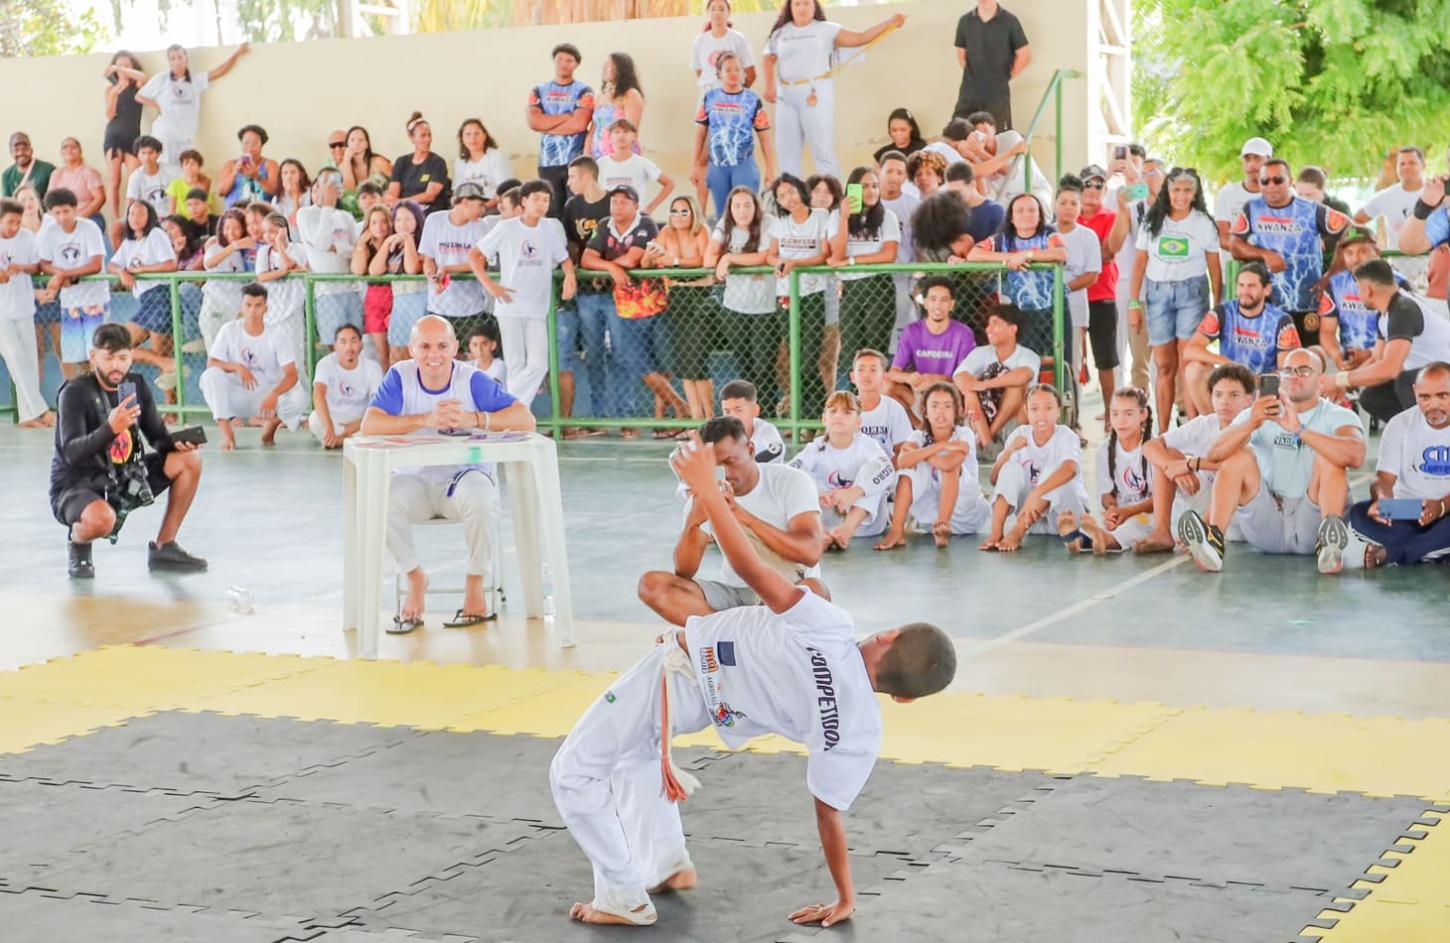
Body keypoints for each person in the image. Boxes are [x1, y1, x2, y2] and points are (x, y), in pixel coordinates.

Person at [559, 424, 955, 931]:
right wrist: (844, 896)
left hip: (683, 673)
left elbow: (748, 567)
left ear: (887, 635)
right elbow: (829, 815)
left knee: (573, 773)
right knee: (635, 751)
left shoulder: (832, 629)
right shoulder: (859, 730)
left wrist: (708, 494)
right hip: (716, 704)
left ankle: (622, 896)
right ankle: (663, 863)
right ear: (904, 699)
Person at [362, 315, 535, 631]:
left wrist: (475, 419)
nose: (434, 355)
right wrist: (423, 419)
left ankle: (475, 583)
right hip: (415, 483)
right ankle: (415, 577)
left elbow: (526, 419)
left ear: (455, 348)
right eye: (425, 346)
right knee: (380, 498)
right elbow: (370, 425)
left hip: (461, 481)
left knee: (483, 496)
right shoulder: (400, 376)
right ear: (412, 349)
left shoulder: (471, 379)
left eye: (442, 345)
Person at [1179, 348, 1364, 575]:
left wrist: (1300, 430)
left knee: (1330, 455)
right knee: (1239, 455)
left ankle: (1330, 545)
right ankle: (1213, 543)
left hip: (1312, 519)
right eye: (1288, 370)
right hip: (1268, 519)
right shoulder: (1260, 412)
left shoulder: (1338, 415)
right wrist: (1252, 423)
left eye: (1304, 370)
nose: (1295, 376)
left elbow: (1355, 455)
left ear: (1321, 380)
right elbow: (1215, 454)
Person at [51, 322, 205, 579]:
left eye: (123, 358)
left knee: (189, 459)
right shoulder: (75, 392)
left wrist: (178, 442)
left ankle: (164, 547)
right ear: (93, 357)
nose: (116, 365)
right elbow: (72, 453)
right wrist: (110, 428)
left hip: (126, 475)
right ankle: (78, 544)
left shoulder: (134, 385)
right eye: (108, 357)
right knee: (102, 520)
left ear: (131, 357)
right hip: (78, 484)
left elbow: (156, 437)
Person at [640, 414, 823, 622]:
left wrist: (739, 514)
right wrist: (693, 522)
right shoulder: (707, 491)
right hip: (736, 593)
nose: (724, 473)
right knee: (653, 585)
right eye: (715, 467)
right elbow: (684, 571)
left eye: (729, 462)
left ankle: (731, 638)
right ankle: (730, 636)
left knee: (814, 590)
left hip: (788, 587)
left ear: (751, 450)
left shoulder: (791, 481)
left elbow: (810, 552)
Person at [762, 0, 908, 180]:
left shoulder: (827, 29)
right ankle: (789, 201)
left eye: (806, 3)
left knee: (822, 150)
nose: (802, 8)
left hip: (815, 93)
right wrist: (769, 85)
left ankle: (836, 199)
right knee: (786, 153)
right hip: (785, 96)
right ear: (790, 7)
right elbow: (768, 58)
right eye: (797, 4)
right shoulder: (780, 33)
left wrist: (889, 23)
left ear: (814, 6)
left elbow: (859, 38)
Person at [580, 185, 685, 431]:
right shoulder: (605, 224)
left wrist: (605, 267)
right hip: (624, 305)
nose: (617, 206)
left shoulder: (645, 223)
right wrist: (612, 269)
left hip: (651, 305)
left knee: (651, 362)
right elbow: (586, 259)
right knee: (632, 359)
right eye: (614, 201)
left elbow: (633, 258)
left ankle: (658, 418)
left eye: (624, 202)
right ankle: (681, 408)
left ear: (636, 206)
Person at [1129, 166, 1223, 431]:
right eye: (1176, 190)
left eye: (1187, 190)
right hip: (1157, 295)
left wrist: (1217, 308)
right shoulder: (1152, 221)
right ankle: (1162, 430)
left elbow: (1214, 268)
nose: (1181, 196)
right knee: (1163, 364)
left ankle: (1194, 426)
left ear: (1195, 194)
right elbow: (1139, 264)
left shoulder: (1204, 223)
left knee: (1189, 361)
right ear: (1167, 191)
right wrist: (1133, 304)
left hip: (1192, 294)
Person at [473, 179, 577, 405]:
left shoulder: (549, 229)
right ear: (524, 201)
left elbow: (565, 259)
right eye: (536, 199)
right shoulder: (506, 227)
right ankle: (515, 418)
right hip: (509, 305)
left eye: (546, 200)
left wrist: (570, 275)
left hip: (537, 307)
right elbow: (475, 255)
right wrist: (490, 285)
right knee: (515, 365)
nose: (541, 204)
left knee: (539, 364)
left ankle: (506, 406)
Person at [1137, 363, 1255, 554]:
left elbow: (1233, 467)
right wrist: (1171, 467)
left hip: (1237, 514)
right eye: (1218, 395)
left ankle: (1209, 533)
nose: (1224, 401)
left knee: (1226, 467)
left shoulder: (1255, 426)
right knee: (1168, 454)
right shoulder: (1205, 424)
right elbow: (1149, 446)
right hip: (1205, 501)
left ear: (1249, 400)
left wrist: (1189, 464)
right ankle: (1162, 532)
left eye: (1233, 395)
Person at [1341, 362, 1450, 568]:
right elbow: (1383, 479)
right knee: (1358, 514)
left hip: (1447, 510)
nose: (1433, 405)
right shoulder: (1400, 424)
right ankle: (1432, 551)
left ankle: (1395, 553)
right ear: (1415, 393)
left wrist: (1441, 506)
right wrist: (1383, 502)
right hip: (1409, 509)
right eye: (1425, 397)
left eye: (1442, 396)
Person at [1230, 157, 1349, 343]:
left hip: (1306, 303)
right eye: (1265, 181)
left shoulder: (1311, 209)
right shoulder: (1252, 208)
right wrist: (1265, 254)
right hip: (1267, 305)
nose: (1271, 185)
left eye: (1278, 180)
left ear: (1290, 181)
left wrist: (1332, 274)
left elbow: (1351, 229)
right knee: (1270, 364)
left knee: (1308, 361)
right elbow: (1235, 246)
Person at [1325, 259, 1450, 424]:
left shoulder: (1403, 310)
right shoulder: (1385, 314)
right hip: (1434, 374)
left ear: (1367, 289)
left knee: (1405, 381)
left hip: (1442, 376)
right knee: (1372, 397)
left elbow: (1390, 368)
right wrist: (1345, 385)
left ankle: (1433, 435)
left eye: (1358, 289)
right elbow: (1377, 359)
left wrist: (1338, 379)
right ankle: (1412, 432)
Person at [875, 383, 991, 549]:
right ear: (925, 411)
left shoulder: (963, 434)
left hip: (967, 514)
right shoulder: (918, 436)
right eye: (934, 406)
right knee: (909, 468)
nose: (941, 411)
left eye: (947, 406)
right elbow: (902, 462)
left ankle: (943, 525)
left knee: (945, 464)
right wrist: (939, 447)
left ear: (957, 411)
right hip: (929, 518)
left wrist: (920, 453)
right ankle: (897, 531)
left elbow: (948, 463)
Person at [979, 383, 1090, 552]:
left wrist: (1037, 492)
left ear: (1058, 410)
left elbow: (1070, 469)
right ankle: (996, 534)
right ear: (1026, 411)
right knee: (1009, 468)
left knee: (1052, 471)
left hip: (1064, 516)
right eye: (1034, 409)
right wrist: (1009, 451)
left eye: (1048, 408)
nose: (1041, 415)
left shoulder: (1066, 436)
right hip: (1033, 521)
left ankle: (1016, 533)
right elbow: (994, 479)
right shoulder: (1019, 435)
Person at [1181, 262, 1299, 417]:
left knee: (1284, 381)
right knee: (1193, 370)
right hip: (1229, 381)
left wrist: (1254, 380)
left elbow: (1286, 370)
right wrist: (1225, 361)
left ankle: (1266, 429)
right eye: (1241, 285)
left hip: (1262, 383)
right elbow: (1189, 350)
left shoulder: (1281, 320)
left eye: (1251, 286)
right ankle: (1214, 427)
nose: (1244, 291)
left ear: (1266, 289)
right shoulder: (1223, 311)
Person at [200, 282, 306, 450]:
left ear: (266, 308)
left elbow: (292, 374)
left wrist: (274, 394)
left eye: (258, 306)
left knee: (300, 396)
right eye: (248, 305)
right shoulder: (229, 330)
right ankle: (228, 434)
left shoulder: (277, 335)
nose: (252, 311)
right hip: (237, 395)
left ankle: (270, 428)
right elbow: (211, 363)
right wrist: (238, 367)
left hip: (265, 397)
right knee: (210, 376)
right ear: (242, 307)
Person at [765, 173, 837, 417]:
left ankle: (815, 414)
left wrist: (795, 263)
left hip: (812, 294)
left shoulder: (820, 216)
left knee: (808, 360)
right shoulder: (779, 223)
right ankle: (812, 415)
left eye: (791, 191)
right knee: (795, 358)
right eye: (782, 196)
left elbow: (825, 254)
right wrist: (778, 262)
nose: (788, 198)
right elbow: (771, 255)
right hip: (785, 297)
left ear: (801, 190)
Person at [789, 391, 897, 550]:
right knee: (801, 475)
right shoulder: (816, 447)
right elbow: (789, 472)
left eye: (847, 412)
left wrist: (856, 491)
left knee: (873, 469)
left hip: (865, 525)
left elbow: (888, 469)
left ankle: (847, 530)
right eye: (833, 411)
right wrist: (818, 493)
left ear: (858, 422)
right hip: (827, 517)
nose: (839, 416)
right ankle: (821, 533)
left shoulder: (867, 445)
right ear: (824, 419)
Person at [967, 193, 1068, 358]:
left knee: (1060, 358)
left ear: (1040, 216)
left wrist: (1027, 255)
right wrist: (1009, 259)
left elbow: (1062, 254)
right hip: (1019, 310)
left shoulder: (1049, 235)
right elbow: (973, 254)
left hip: (1053, 307)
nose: (1026, 214)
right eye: (1020, 210)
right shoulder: (1002, 239)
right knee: (1025, 359)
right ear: (1012, 218)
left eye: (1031, 210)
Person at [644, 194, 715, 420]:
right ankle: (695, 419)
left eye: (684, 211)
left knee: (697, 362)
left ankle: (710, 418)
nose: (679, 216)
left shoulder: (702, 230)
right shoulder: (665, 232)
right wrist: (650, 256)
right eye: (675, 211)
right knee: (684, 365)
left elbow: (703, 261)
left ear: (693, 212)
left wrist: (672, 260)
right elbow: (649, 262)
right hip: (677, 296)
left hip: (700, 295)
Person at [706, 187, 777, 405]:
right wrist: (722, 258)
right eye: (736, 206)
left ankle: (767, 411)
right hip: (734, 308)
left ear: (755, 206)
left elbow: (764, 256)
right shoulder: (724, 224)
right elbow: (709, 259)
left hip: (765, 309)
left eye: (747, 205)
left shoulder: (768, 222)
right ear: (730, 208)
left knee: (763, 365)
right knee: (744, 365)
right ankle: (749, 412)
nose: (742, 210)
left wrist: (729, 258)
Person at [559, 156, 613, 427]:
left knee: (624, 352)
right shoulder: (572, 206)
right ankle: (600, 416)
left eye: (572, 177)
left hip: (614, 290)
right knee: (593, 353)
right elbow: (570, 245)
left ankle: (626, 416)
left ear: (587, 177)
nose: (569, 183)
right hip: (586, 292)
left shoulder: (611, 202)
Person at [136, 43, 247, 169]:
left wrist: (237, 54)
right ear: (169, 61)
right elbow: (139, 96)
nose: (177, 61)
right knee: (164, 169)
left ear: (186, 58)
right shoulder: (161, 79)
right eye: (173, 58)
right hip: (165, 134)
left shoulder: (195, 80)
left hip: (185, 136)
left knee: (185, 170)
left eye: (180, 57)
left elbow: (218, 72)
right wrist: (158, 106)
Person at [693, 52, 775, 221]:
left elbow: (765, 137)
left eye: (738, 69)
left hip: (743, 163)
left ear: (743, 73)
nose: (733, 73)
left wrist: (770, 168)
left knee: (746, 214)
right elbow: (700, 134)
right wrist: (695, 165)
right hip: (717, 165)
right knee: (723, 216)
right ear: (719, 73)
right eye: (728, 69)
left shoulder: (752, 99)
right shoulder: (710, 97)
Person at [828, 166, 900, 362]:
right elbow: (838, 252)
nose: (871, 191)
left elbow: (889, 255)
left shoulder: (887, 216)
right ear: (852, 189)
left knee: (876, 347)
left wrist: (852, 261)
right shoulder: (836, 216)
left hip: (878, 285)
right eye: (865, 186)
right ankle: (855, 392)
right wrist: (844, 217)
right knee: (851, 348)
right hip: (850, 287)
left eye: (875, 186)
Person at [37, 188, 108, 379]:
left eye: (66, 211)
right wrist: (60, 274)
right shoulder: (50, 232)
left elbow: (95, 264)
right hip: (70, 301)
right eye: (57, 212)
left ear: (75, 209)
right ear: (50, 213)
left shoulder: (89, 228)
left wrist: (63, 275)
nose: (62, 217)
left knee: (98, 353)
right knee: (79, 357)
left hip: (95, 300)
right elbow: (43, 263)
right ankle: (89, 398)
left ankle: (104, 399)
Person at [1073, 387, 1155, 554]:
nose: (1121, 421)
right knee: (1105, 524)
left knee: (1131, 527)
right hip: (1122, 514)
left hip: (1149, 516)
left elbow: (1160, 499)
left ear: (1143, 415)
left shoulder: (1155, 448)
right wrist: (1111, 508)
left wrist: (1129, 511)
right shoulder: (1104, 450)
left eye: (1128, 414)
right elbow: (1106, 494)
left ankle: (1101, 539)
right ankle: (1083, 539)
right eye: (1115, 413)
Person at [887, 275, 976, 415]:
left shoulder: (963, 333)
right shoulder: (912, 331)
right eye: (933, 299)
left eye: (944, 300)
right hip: (920, 394)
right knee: (886, 386)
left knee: (970, 392)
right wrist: (909, 378)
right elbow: (893, 373)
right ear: (925, 302)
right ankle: (916, 426)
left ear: (952, 304)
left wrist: (938, 380)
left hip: (951, 395)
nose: (938, 305)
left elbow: (968, 377)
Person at [1074, 165, 1125, 407]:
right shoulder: (1069, 216)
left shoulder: (1111, 217)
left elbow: (1108, 252)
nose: (1093, 190)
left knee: (1106, 360)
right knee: (1073, 358)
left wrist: (1079, 258)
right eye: (1088, 184)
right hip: (1073, 295)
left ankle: (1109, 414)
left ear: (1105, 190)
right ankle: (1073, 416)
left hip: (1102, 295)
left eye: (1099, 185)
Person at [1315, 232, 1404, 371]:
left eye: (1362, 251)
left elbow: (1404, 337)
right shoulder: (1334, 284)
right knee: (1314, 355)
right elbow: (1327, 331)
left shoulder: (1398, 283)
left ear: (1377, 252)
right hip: (1349, 359)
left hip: (1389, 360)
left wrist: (1370, 354)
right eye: (1349, 253)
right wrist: (1337, 355)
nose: (1355, 259)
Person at [108, 200, 179, 375]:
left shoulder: (155, 234)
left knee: (160, 355)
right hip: (146, 301)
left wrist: (142, 269)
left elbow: (170, 264)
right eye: (131, 214)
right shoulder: (129, 242)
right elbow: (111, 265)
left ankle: (172, 398)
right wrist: (122, 272)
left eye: (140, 213)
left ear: (150, 216)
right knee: (117, 348)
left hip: (160, 297)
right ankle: (165, 362)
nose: (135, 218)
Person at [953, 303, 1039, 448]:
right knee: (969, 391)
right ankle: (987, 443)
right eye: (988, 324)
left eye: (995, 324)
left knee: (1017, 388)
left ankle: (987, 443)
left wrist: (983, 385)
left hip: (1012, 423)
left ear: (1013, 329)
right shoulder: (981, 353)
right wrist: (969, 393)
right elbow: (959, 377)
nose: (988, 329)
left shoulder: (1028, 356)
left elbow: (1023, 376)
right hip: (981, 422)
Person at [0, 199, 52, 426]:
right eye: (10, 222)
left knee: (28, 361)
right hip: (2, 312)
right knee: (14, 356)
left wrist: (22, 267)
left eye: (18, 222)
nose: (14, 226)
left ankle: (26, 415)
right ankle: (41, 410)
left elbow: (37, 265)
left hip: (23, 307)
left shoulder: (26, 237)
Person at [529, 44, 595, 217]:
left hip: (575, 161)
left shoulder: (584, 91)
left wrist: (548, 125)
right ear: (554, 61)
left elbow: (579, 125)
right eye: (560, 59)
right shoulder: (539, 90)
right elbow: (534, 122)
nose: (564, 64)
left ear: (576, 64)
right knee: (551, 210)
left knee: (577, 208)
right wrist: (566, 116)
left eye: (569, 60)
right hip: (547, 162)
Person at [297, 170, 361, 346]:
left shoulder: (345, 216)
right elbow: (320, 243)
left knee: (356, 343)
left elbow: (356, 250)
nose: (327, 187)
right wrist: (326, 206)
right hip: (326, 292)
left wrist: (337, 248)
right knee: (334, 344)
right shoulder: (305, 214)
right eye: (322, 183)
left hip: (352, 289)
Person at [420, 182, 490, 342]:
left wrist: (447, 269)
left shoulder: (481, 227)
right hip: (438, 305)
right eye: (479, 205)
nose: (482, 210)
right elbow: (428, 259)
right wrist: (432, 276)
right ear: (464, 201)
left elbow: (481, 263)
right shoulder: (435, 220)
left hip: (472, 306)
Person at [1052, 177, 1103, 383]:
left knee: (1072, 361)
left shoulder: (1087, 236)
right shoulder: (1046, 233)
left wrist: (1061, 288)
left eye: (1074, 203)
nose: (1068, 208)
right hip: (1045, 308)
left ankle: (1072, 411)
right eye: (1063, 202)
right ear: (1054, 204)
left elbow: (1092, 275)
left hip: (1075, 307)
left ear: (1080, 206)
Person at [952, 0, 1029, 127]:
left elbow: (1024, 55)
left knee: (995, 137)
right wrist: (974, 78)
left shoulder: (1010, 21)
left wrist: (1003, 78)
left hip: (997, 94)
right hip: (969, 91)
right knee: (957, 132)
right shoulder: (965, 21)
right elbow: (961, 55)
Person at [309, 323, 382, 448]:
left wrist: (351, 428)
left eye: (354, 341)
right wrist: (329, 426)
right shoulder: (325, 364)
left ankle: (339, 440)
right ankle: (343, 439)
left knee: (379, 423)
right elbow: (318, 394)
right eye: (343, 342)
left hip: (361, 420)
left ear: (361, 344)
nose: (349, 347)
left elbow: (378, 405)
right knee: (314, 419)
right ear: (335, 346)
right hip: (333, 419)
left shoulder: (372, 368)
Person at [198, 208, 251, 353]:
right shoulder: (216, 247)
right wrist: (233, 246)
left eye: (236, 228)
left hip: (234, 309)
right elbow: (209, 263)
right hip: (214, 306)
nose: (231, 232)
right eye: (227, 228)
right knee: (215, 351)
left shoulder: (242, 255)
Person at [596, 120, 674, 217]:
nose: (621, 136)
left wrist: (650, 208)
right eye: (617, 132)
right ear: (610, 136)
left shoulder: (642, 163)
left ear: (634, 136)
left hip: (635, 218)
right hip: (607, 217)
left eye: (625, 131)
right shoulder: (601, 163)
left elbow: (669, 183)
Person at [103, 52, 145, 221]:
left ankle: (132, 216)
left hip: (133, 137)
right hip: (113, 136)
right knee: (114, 180)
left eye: (127, 66)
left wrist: (121, 69)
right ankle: (115, 219)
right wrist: (114, 95)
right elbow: (110, 115)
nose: (122, 69)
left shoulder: (138, 85)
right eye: (119, 65)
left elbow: (142, 75)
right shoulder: (110, 89)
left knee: (134, 179)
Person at [384, 201, 427, 365]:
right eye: (398, 220)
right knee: (397, 355)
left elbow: (411, 269)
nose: (402, 224)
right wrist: (387, 243)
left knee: (420, 353)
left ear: (417, 220)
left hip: (419, 301)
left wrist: (409, 240)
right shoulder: (393, 245)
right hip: (399, 303)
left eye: (408, 219)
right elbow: (375, 269)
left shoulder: (424, 244)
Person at [1212, 136, 1271, 252]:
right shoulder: (1226, 194)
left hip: (1273, 267)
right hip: (1235, 267)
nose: (1251, 165)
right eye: (1247, 159)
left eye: (1257, 159)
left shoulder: (1283, 194)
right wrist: (1257, 254)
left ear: (1269, 160)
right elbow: (1223, 238)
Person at [850, 349, 911, 458]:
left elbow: (903, 452)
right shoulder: (844, 408)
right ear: (852, 377)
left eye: (873, 370)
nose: (866, 375)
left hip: (887, 470)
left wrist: (884, 472)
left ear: (884, 376)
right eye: (861, 369)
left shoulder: (894, 409)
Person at [388, 113, 450, 214]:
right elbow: (393, 193)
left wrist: (402, 202)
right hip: (403, 210)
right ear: (412, 138)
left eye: (429, 135)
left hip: (428, 211)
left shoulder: (437, 163)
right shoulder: (401, 162)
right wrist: (395, 203)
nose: (428, 139)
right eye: (423, 136)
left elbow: (430, 195)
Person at [590, 52, 647, 161]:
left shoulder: (631, 94)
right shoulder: (600, 96)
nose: (606, 68)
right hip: (598, 155)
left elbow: (632, 130)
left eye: (612, 66)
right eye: (605, 65)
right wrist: (587, 154)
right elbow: (594, 128)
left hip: (621, 155)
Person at [692, 0, 756, 93]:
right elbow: (699, 72)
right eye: (713, 9)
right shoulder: (699, 41)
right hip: (708, 98)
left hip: (733, 100)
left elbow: (751, 74)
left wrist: (737, 94)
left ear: (728, 12)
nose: (717, 13)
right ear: (707, 12)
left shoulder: (739, 39)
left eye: (721, 9)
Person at [719, 379, 785, 463]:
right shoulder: (720, 432)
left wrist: (748, 463)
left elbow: (776, 450)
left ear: (755, 410)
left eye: (739, 410)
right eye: (727, 411)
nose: (732, 417)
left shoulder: (765, 429)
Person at [452, 119, 510, 209]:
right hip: (469, 206)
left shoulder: (497, 156)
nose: (472, 138)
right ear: (462, 138)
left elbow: (505, 191)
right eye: (468, 134)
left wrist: (484, 207)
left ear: (484, 135)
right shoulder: (460, 161)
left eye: (477, 134)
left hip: (493, 205)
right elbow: (458, 191)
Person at [50, 138, 106, 233]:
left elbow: (100, 198)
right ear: (61, 152)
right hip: (61, 218)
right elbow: (50, 201)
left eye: (73, 147)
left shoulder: (89, 172)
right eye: (65, 147)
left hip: (89, 217)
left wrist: (79, 217)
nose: (69, 150)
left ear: (80, 151)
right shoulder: (56, 174)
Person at [217, 125, 278, 209]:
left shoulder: (270, 164)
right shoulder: (231, 164)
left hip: (262, 214)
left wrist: (257, 177)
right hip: (234, 215)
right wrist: (234, 173)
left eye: (255, 143)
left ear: (261, 145)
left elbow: (276, 191)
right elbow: (221, 192)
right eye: (246, 143)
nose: (250, 147)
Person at [944, 162, 1004, 242]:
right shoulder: (949, 212)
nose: (954, 197)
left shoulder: (995, 211)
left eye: (958, 192)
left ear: (972, 185)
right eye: (951, 193)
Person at [124, 136, 176, 224]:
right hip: (147, 220)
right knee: (116, 227)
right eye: (143, 153)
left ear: (158, 153)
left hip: (170, 217)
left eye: (151, 153)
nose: (147, 157)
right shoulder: (135, 177)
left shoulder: (171, 172)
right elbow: (130, 202)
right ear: (137, 155)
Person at [339, 126, 393, 198]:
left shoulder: (379, 162)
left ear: (367, 144)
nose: (356, 143)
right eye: (352, 140)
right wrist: (347, 160)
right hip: (359, 206)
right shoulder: (343, 166)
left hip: (384, 203)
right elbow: (350, 192)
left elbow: (398, 180)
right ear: (347, 144)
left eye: (361, 140)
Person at [3, 132, 55, 199]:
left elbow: (55, 200)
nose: (20, 153)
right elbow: (7, 204)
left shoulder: (48, 169)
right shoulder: (7, 175)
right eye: (16, 150)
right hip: (18, 209)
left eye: (24, 149)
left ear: (31, 150)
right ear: (11, 153)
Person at [272, 159, 312, 228]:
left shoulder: (310, 194)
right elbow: (276, 225)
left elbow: (298, 223)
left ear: (301, 175)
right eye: (285, 173)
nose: (289, 177)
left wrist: (295, 196)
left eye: (293, 172)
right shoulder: (277, 199)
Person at [467, 319, 507, 385]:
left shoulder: (500, 366)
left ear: (493, 345)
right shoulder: (468, 366)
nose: (479, 349)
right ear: (470, 347)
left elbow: (489, 388)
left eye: (484, 344)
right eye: (475, 345)